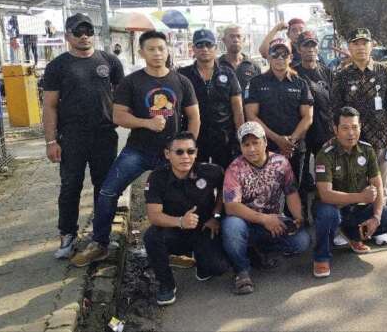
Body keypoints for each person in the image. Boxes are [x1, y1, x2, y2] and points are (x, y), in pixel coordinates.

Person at [71, 30, 201, 267]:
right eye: (151, 49)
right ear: (141, 52)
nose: (157, 53)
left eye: (161, 48)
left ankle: (174, 250)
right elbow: (118, 116)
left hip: (169, 154)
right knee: (108, 192)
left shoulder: (181, 81)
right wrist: (146, 123)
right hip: (138, 150)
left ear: (167, 50)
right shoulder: (132, 82)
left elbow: (194, 117)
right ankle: (99, 243)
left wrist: (186, 150)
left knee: (176, 199)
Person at [42, 13, 124, 259]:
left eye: (88, 30)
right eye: (78, 32)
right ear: (67, 36)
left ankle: (102, 237)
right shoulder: (57, 66)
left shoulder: (109, 61)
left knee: (105, 188)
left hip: (104, 136)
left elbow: (122, 98)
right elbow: (49, 106)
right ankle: (67, 235)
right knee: (70, 187)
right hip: (72, 138)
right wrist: (51, 141)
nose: (84, 36)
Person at [311, 107, 387, 278]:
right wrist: (361, 196)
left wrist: (376, 217)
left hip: (356, 209)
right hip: (333, 206)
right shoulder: (325, 154)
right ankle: (321, 256)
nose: (350, 133)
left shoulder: (367, 150)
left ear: (360, 127)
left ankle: (353, 234)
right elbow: (326, 194)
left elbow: (378, 184)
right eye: (345, 128)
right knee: (327, 215)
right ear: (335, 129)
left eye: (354, 127)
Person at [221, 121, 310, 295]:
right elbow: (231, 206)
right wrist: (264, 219)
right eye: (246, 144)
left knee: (302, 241)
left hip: (274, 220)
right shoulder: (234, 168)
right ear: (240, 147)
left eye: (256, 142)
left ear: (265, 142)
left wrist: (298, 218)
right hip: (245, 222)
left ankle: (259, 250)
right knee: (231, 226)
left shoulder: (281, 162)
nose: (252, 149)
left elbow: (291, 193)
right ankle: (242, 271)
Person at [331, 28, 387, 245]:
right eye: (355, 43)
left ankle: (377, 225)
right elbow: (334, 110)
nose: (360, 47)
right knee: (348, 185)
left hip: (380, 141)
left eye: (364, 43)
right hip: (351, 143)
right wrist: (338, 139)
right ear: (349, 48)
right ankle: (344, 230)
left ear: (371, 45)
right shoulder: (342, 76)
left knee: (380, 184)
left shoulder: (383, 72)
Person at [143, 132, 228, 306]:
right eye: (179, 152)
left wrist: (216, 215)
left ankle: (199, 260)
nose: (185, 157)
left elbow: (224, 189)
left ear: (196, 153)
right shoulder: (157, 178)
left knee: (217, 268)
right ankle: (166, 284)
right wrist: (181, 221)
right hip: (174, 231)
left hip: (203, 229)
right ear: (168, 154)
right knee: (151, 236)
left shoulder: (211, 171)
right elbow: (154, 216)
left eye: (190, 151)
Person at [245, 38, 314, 218]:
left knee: (296, 188)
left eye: (284, 54)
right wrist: (277, 139)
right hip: (266, 148)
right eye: (275, 53)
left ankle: (297, 224)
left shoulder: (301, 83)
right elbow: (251, 115)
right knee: (265, 190)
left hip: (294, 148)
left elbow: (308, 116)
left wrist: (290, 141)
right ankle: (268, 228)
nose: (280, 58)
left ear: (291, 57)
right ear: (268, 56)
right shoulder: (257, 82)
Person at [179, 29, 244, 168]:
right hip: (194, 138)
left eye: (209, 45)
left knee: (224, 180)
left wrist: (241, 137)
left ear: (215, 48)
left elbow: (237, 109)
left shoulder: (228, 73)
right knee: (195, 180)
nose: (205, 49)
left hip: (224, 139)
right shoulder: (183, 75)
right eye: (200, 45)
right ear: (193, 49)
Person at [293, 31, 333, 199]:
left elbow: (335, 102)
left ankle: (323, 209)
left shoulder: (327, 72)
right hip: (301, 133)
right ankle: (301, 216)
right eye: (306, 45)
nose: (310, 49)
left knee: (325, 176)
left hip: (323, 132)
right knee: (299, 178)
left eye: (313, 45)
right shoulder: (292, 73)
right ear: (298, 49)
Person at [218, 25, 261, 90]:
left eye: (238, 36)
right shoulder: (216, 65)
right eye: (232, 36)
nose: (235, 40)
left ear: (243, 40)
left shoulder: (253, 66)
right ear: (224, 40)